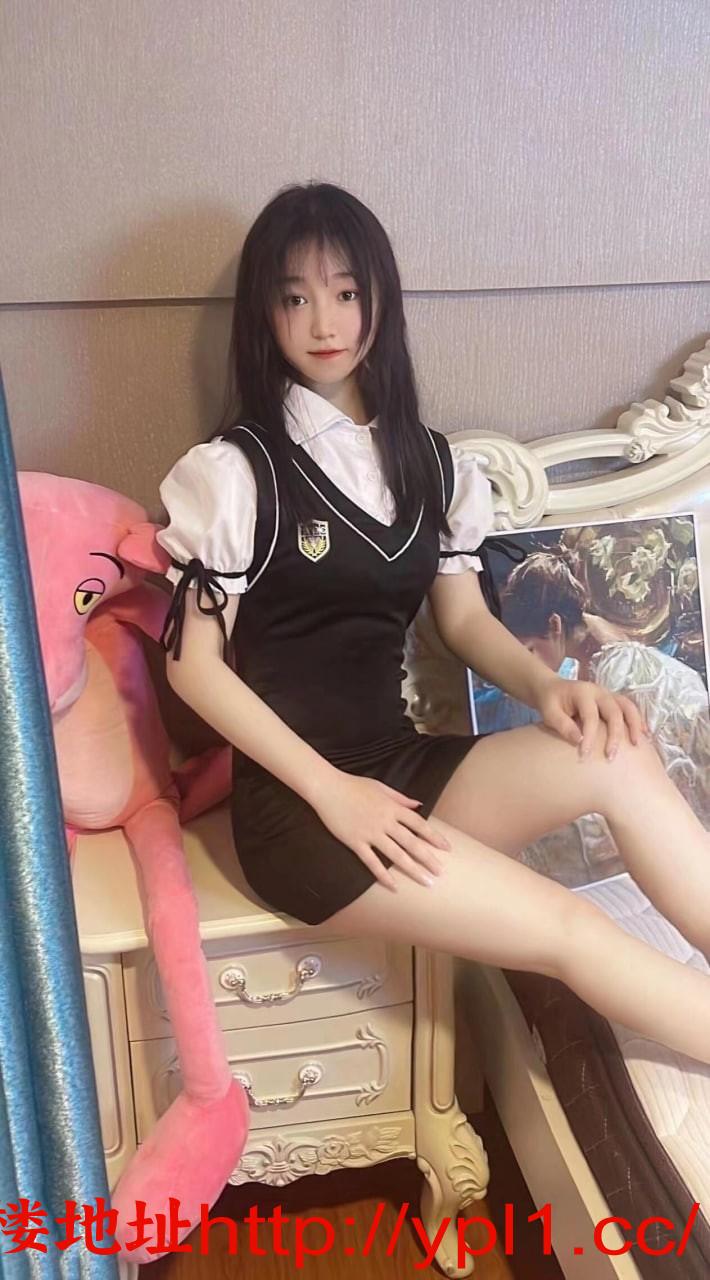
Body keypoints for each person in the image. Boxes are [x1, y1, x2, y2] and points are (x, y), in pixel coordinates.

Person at [156, 181, 710, 1066]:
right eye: (294, 299)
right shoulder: (235, 474)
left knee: (620, 753)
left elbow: (462, 619)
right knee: (565, 927)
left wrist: (547, 689)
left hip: (401, 764)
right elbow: (193, 667)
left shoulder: (430, 463)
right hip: (300, 812)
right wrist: (332, 793)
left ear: (379, 300)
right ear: (264, 315)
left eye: (346, 293)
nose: (324, 321)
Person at [499, 551, 710, 829]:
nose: (526, 666)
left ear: (554, 625)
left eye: (529, 651)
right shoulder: (577, 670)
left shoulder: (630, 674)